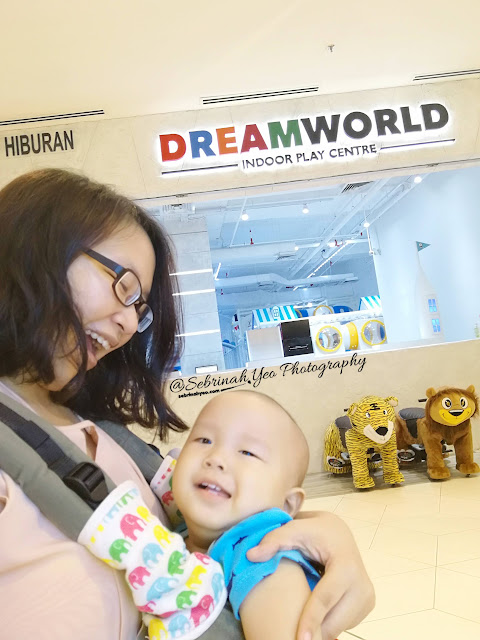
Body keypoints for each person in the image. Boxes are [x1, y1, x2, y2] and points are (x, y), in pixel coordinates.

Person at [0, 168, 374, 640]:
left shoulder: (106, 435)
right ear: (35, 247)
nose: (127, 325)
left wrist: (316, 532)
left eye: (139, 309)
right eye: (124, 286)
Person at [170, 389, 319, 640]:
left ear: (287, 504)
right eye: (204, 440)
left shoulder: (262, 557)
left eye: (247, 452)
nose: (215, 458)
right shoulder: (173, 530)